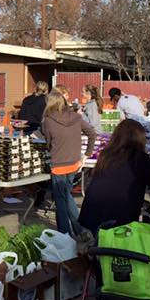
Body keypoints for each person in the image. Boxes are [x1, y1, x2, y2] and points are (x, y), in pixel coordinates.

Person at [78, 119, 150, 236]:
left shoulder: (106, 155)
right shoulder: (141, 159)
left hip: (93, 210)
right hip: (121, 214)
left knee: (100, 245)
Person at [41, 89, 96, 235]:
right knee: (67, 195)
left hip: (58, 163)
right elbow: (92, 133)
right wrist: (86, 155)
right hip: (74, 163)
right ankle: (79, 229)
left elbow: (47, 143)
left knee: (60, 199)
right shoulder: (76, 117)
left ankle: (64, 233)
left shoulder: (48, 120)